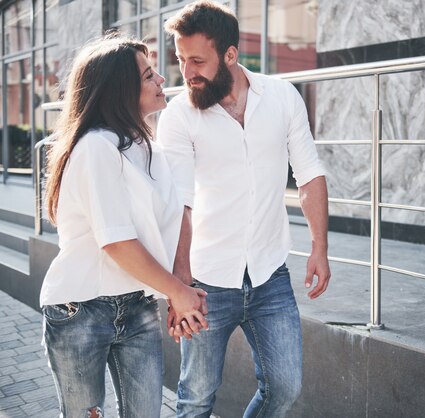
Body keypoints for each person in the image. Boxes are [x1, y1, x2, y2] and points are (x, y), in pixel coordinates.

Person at [157, 1, 332, 416]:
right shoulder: (179, 116)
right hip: (207, 282)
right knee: (195, 399)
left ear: (231, 55)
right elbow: (179, 202)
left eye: (197, 60)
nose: (187, 72)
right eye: (181, 60)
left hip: (270, 273)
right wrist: (178, 287)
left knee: (285, 388)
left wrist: (319, 248)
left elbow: (309, 174)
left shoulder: (282, 97)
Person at [40, 35, 209, 418]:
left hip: (138, 305)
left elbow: (180, 215)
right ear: (122, 88)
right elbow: (116, 242)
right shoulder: (96, 147)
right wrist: (177, 292)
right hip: (80, 309)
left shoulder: (150, 148)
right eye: (149, 75)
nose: (162, 80)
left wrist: (181, 289)